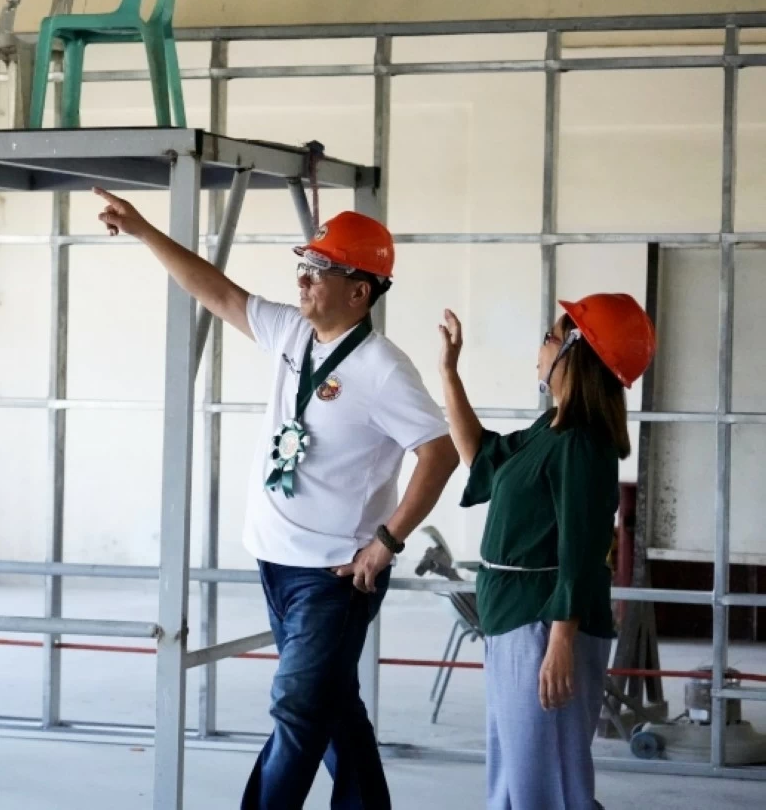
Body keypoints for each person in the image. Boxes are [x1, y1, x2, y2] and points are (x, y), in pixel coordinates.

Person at [93, 187, 459, 810]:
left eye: (319, 270)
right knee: (331, 704)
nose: (303, 279)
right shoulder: (293, 332)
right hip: (276, 560)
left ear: (359, 291)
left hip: (335, 576)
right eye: (305, 266)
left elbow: (440, 452)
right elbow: (219, 292)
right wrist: (146, 231)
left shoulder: (383, 370)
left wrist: (387, 541)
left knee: (297, 707)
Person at [437, 293, 657, 810]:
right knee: (518, 773)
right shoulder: (549, 430)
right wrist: (450, 371)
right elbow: (480, 457)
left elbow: (582, 551)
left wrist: (561, 641)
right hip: (514, 617)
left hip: (545, 625)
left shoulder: (581, 445)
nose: (540, 347)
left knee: (549, 781)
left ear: (575, 353)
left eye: (549, 336)